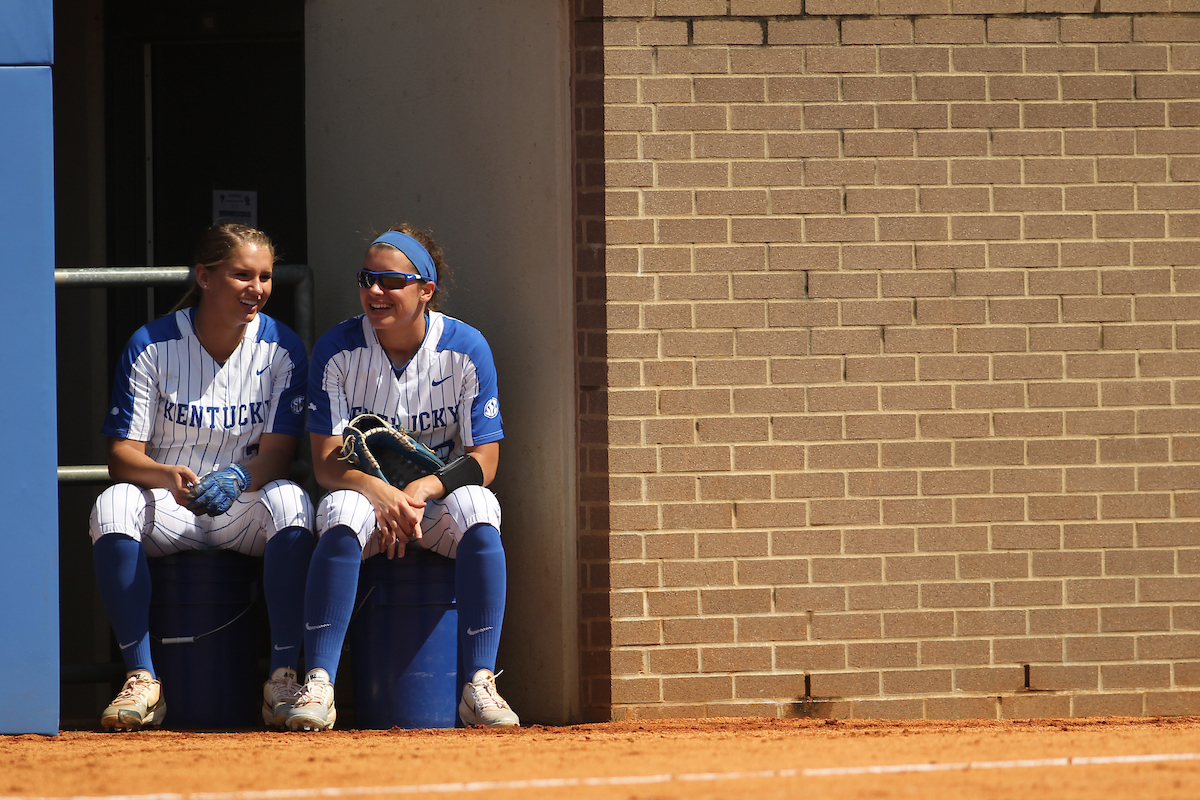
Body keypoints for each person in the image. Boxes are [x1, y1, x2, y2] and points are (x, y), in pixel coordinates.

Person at [290, 223, 517, 731]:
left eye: (391, 281)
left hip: (432, 508)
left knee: (480, 506)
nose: (375, 291)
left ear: (425, 290)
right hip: (371, 506)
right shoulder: (337, 348)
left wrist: (423, 488)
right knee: (339, 509)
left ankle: (480, 684)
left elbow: (486, 457)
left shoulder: (466, 346)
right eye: (367, 279)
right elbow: (327, 460)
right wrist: (380, 491)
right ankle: (320, 683)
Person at [89, 223, 314, 731]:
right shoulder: (152, 343)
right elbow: (121, 456)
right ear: (205, 277)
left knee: (294, 503)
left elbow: (280, 453)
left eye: (264, 277)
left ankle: (283, 675)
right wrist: (164, 474)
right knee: (113, 504)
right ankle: (143, 679)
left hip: (241, 501)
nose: (255, 289)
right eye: (240, 275)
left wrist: (238, 474)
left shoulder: (284, 347)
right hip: (170, 505)